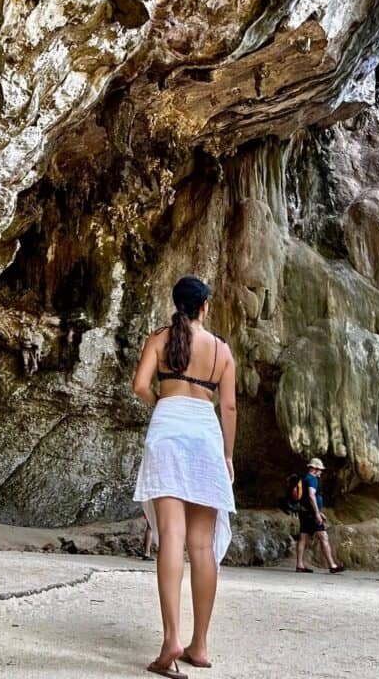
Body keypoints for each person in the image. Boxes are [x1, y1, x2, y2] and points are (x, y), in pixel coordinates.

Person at [132, 276, 236, 677]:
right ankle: (200, 644)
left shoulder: (159, 339)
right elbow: (228, 409)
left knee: (171, 539)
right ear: (205, 307)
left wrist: (162, 403)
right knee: (202, 544)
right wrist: (227, 454)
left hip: (167, 430)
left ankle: (172, 638)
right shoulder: (222, 351)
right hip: (206, 437)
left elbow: (140, 385)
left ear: (177, 304)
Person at [296, 457, 344, 574]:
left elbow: (306, 498)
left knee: (303, 538)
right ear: (315, 469)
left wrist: (319, 511)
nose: (321, 472)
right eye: (320, 470)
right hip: (312, 514)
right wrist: (317, 513)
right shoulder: (312, 479)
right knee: (324, 537)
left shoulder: (304, 478)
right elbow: (311, 496)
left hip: (304, 512)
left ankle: (299, 565)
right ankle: (332, 565)